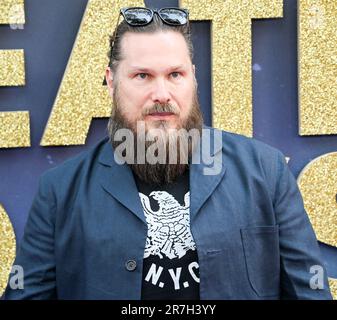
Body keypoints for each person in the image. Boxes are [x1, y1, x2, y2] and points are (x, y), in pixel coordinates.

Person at [4, 7, 332, 300]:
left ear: (192, 78)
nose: (162, 94)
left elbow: (309, 292)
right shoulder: (60, 191)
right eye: (142, 75)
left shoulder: (266, 171)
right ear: (112, 81)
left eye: (175, 74)